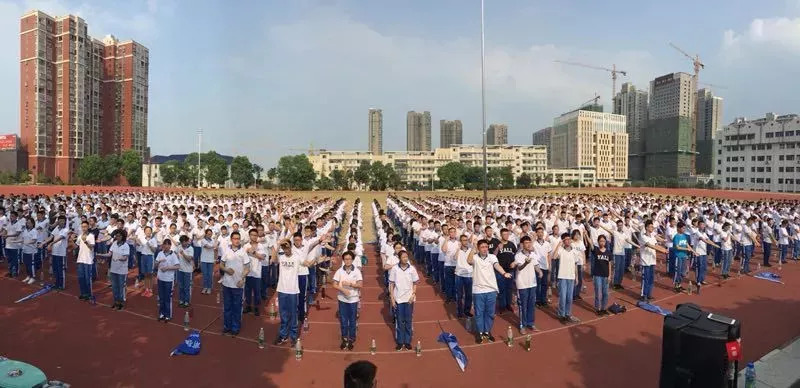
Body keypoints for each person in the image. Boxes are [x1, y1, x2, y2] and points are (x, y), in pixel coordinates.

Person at [271, 234, 322, 346]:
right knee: (283, 314)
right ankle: (283, 335)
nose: (286, 249)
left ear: (291, 247)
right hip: (282, 289)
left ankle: (293, 336)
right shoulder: (281, 257)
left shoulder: (297, 257)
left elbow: (307, 264)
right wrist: (279, 244)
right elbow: (273, 258)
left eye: (287, 247)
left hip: (293, 290)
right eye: (284, 247)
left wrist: (317, 260)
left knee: (293, 314)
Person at [466, 239, 513, 344]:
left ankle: (487, 331)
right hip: (478, 290)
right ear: (478, 248)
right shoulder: (474, 257)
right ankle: (480, 332)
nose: (484, 249)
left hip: (491, 289)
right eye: (482, 247)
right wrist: (473, 249)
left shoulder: (492, 257)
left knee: (490, 313)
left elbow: (497, 265)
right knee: (479, 313)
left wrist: (504, 273)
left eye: (486, 247)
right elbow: (469, 261)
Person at [219, 231, 250, 336]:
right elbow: (221, 265)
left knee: (237, 307)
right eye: (235, 238)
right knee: (227, 306)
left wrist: (242, 279)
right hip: (227, 284)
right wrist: (226, 270)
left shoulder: (243, 252)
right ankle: (226, 326)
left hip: (238, 284)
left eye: (238, 239)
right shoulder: (227, 251)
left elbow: (247, 268)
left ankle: (235, 327)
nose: (236, 240)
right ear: (231, 240)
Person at [511, 235, 542, 334]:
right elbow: (519, 268)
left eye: (529, 242)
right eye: (526, 243)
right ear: (522, 244)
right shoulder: (518, 255)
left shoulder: (533, 254)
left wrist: (539, 272)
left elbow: (536, 265)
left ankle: (530, 323)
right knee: (522, 305)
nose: (528, 244)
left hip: (532, 283)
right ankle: (522, 325)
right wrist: (525, 263)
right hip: (522, 284)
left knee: (531, 305)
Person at [334, 251, 364, 351]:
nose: (347, 261)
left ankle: (351, 339)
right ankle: (344, 338)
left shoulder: (356, 271)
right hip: (342, 299)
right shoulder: (339, 271)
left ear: (352, 260)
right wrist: (343, 290)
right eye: (346, 259)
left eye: (349, 259)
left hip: (353, 299)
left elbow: (360, 284)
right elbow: (334, 284)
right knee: (343, 320)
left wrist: (350, 285)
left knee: (352, 320)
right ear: (343, 260)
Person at [389, 250, 418, 351]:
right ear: (399, 258)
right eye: (403, 257)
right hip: (398, 299)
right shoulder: (394, 269)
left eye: (407, 257)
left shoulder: (412, 269)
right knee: (400, 321)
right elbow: (391, 284)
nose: (405, 259)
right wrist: (392, 298)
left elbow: (415, 283)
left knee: (408, 321)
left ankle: (408, 341)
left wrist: (413, 294)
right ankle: (400, 342)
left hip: (409, 299)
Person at [96, 230, 130, 310]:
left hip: (122, 269)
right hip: (113, 268)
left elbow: (125, 257)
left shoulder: (126, 246)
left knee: (121, 286)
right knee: (114, 286)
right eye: (116, 236)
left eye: (119, 236)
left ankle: (121, 302)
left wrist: (120, 258)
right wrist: (100, 255)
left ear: (123, 237)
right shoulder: (114, 244)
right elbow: (109, 254)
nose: (117, 237)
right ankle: (116, 301)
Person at [640, 220, 668, 302]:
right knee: (646, 279)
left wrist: (664, 249)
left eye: (652, 226)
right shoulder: (643, 237)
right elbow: (650, 246)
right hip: (645, 261)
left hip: (652, 260)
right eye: (651, 226)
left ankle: (649, 294)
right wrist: (663, 251)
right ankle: (643, 295)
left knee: (651, 278)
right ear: (646, 228)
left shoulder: (652, 236)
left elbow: (656, 245)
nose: (652, 228)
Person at [155, 239, 180, 322]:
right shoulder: (160, 253)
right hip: (160, 278)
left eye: (168, 245)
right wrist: (158, 262)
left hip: (169, 279)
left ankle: (168, 315)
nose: (166, 246)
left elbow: (177, 266)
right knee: (161, 297)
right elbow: (155, 265)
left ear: (170, 246)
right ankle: (162, 313)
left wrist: (168, 268)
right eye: (164, 244)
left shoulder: (173, 255)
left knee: (167, 298)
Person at [244, 229, 267, 316]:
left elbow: (262, 257)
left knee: (257, 291)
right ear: (249, 236)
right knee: (247, 291)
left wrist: (253, 252)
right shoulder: (245, 246)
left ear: (257, 236)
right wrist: (249, 251)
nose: (253, 236)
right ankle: (248, 306)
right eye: (252, 235)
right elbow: (243, 256)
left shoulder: (261, 246)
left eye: (255, 235)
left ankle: (256, 307)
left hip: (257, 272)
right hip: (247, 272)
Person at [493, 228, 517, 313]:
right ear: (501, 235)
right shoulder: (497, 244)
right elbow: (493, 257)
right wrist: (497, 249)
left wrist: (514, 262)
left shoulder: (511, 244)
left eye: (507, 234)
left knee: (509, 289)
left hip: (510, 270)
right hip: (500, 271)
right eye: (504, 234)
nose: (506, 236)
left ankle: (508, 304)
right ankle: (502, 306)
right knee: (501, 289)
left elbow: (516, 255)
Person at [591, 235, 612, 315]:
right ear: (598, 242)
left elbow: (609, 264)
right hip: (597, 275)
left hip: (605, 276)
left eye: (603, 241)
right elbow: (591, 243)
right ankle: (598, 308)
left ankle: (603, 308)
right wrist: (586, 234)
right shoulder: (596, 250)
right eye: (600, 241)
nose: (602, 242)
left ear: (605, 242)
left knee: (605, 293)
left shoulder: (608, 252)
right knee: (598, 292)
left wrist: (610, 275)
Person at [454, 234, 473, 318]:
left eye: (466, 240)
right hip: (459, 275)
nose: (465, 242)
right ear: (460, 242)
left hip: (469, 274)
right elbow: (455, 258)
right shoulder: (458, 250)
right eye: (463, 240)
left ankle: (467, 310)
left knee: (469, 295)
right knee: (459, 294)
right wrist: (458, 249)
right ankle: (459, 311)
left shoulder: (471, 250)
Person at [76, 221, 96, 301]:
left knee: (88, 278)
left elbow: (91, 247)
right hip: (80, 259)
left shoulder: (91, 236)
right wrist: (70, 240)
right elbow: (76, 246)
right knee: (81, 278)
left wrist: (85, 241)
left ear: (88, 227)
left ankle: (89, 294)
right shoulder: (80, 236)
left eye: (85, 227)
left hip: (88, 260)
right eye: (82, 227)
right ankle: (83, 293)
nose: (84, 228)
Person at [672, 222, 695, 292]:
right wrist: (686, 249)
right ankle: (676, 285)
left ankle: (679, 284)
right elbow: (677, 247)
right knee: (678, 271)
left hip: (684, 256)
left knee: (683, 272)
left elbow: (687, 244)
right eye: (683, 228)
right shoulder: (676, 236)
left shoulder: (684, 236)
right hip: (678, 256)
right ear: (678, 228)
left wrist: (693, 251)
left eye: (684, 228)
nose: (684, 229)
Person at [137, 226, 158, 297]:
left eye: (149, 231)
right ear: (145, 232)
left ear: (151, 232)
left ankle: (150, 289)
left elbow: (154, 250)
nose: (148, 232)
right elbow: (138, 244)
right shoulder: (142, 239)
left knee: (150, 274)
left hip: (150, 257)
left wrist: (150, 245)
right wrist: (136, 241)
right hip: (143, 256)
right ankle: (146, 289)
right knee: (145, 274)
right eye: (147, 231)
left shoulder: (154, 240)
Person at [176, 235, 195, 308]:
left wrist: (183, 254)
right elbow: (175, 254)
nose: (183, 243)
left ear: (187, 241)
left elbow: (189, 259)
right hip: (180, 269)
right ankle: (181, 300)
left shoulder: (191, 249)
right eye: (182, 242)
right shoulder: (179, 247)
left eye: (185, 242)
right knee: (181, 286)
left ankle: (187, 301)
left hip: (188, 271)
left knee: (187, 287)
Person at [21, 217, 39, 284]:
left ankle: (33, 277)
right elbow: (23, 239)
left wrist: (27, 243)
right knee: (26, 264)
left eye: (29, 223)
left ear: (33, 223)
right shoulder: (25, 230)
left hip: (32, 251)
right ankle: (28, 276)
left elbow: (34, 240)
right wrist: (17, 241)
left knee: (31, 265)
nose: (28, 224)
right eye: (27, 223)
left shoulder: (34, 231)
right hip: (25, 250)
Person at [199, 229, 216, 294]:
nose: (209, 235)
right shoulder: (203, 240)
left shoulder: (213, 240)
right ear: (205, 234)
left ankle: (209, 288)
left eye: (210, 234)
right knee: (205, 274)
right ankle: (205, 287)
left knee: (210, 275)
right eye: (208, 234)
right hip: (204, 260)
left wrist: (214, 259)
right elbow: (208, 247)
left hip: (211, 260)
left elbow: (215, 249)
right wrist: (214, 245)